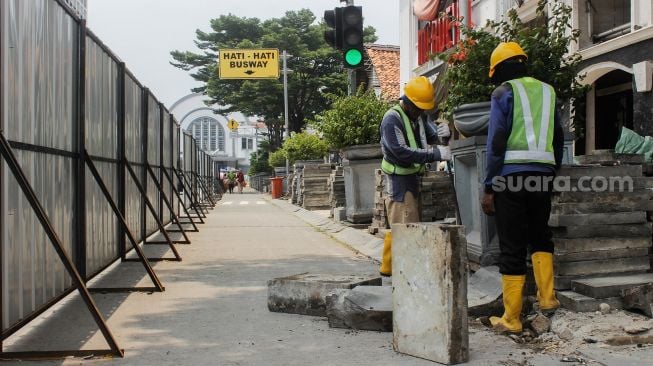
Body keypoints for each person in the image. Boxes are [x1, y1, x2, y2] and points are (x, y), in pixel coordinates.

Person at [481, 42, 564, 333]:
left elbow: (496, 141)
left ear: (501, 68)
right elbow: (558, 138)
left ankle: (512, 318)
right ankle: (547, 300)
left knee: (512, 244)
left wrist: (490, 185)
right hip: (541, 175)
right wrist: (551, 173)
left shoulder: (503, 92)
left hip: (509, 178)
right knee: (541, 235)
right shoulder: (548, 91)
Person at [378, 76, 452, 276]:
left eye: (423, 108)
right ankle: (396, 270)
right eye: (418, 107)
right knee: (404, 226)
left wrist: (443, 135)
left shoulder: (418, 117)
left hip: (412, 178)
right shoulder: (392, 118)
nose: (421, 111)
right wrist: (435, 154)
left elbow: (430, 136)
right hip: (399, 180)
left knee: (408, 225)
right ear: (408, 101)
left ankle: (392, 268)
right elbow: (399, 151)